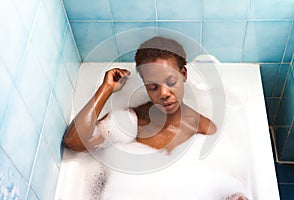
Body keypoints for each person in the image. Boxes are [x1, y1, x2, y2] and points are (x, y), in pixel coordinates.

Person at [63, 36, 216, 152]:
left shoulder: (202, 128)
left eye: (171, 82)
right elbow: (73, 143)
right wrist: (106, 88)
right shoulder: (133, 119)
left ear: (183, 74)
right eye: (153, 87)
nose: (164, 94)